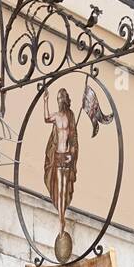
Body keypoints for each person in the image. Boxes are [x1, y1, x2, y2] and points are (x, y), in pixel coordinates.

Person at [43, 87, 79, 239]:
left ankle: (62, 216)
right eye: (57, 99)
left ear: (65, 100)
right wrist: (45, 101)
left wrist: (72, 153)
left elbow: (73, 138)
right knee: (59, 189)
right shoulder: (56, 116)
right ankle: (61, 219)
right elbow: (45, 119)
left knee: (64, 188)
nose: (59, 101)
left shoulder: (70, 116)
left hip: (67, 156)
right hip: (57, 155)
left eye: (60, 99)